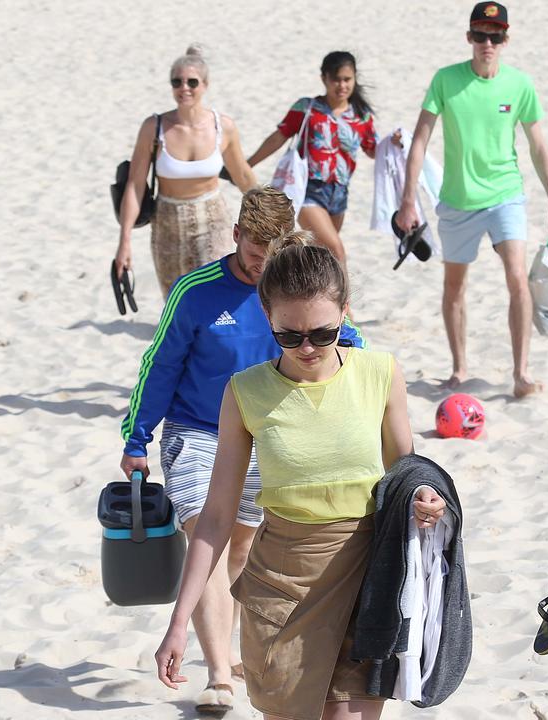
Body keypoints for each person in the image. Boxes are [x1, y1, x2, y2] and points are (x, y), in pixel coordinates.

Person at [153, 235, 445, 720]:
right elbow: (217, 517)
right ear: (268, 318)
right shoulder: (245, 392)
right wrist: (179, 621)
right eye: (289, 336)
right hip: (281, 584)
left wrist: (425, 500)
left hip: (368, 572)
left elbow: (406, 475)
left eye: (323, 333)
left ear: (345, 313)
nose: (306, 347)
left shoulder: (381, 373)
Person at [121, 189, 364, 716]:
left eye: (270, 257)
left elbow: (343, 341)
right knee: (206, 532)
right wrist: (137, 436)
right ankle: (217, 674)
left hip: (267, 432)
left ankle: (235, 655)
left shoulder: (289, 288)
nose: (261, 267)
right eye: (254, 255)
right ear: (236, 236)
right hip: (198, 433)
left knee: (245, 550)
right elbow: (159, 364)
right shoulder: (195, 291)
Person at [395, 1, 548, 395]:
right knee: (454, 285)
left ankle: (521, 373)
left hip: (506, 195)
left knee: (517, 278)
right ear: (469, 38)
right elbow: (420, 140)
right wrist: (408, 199)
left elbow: (538, 146)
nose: (487, 43)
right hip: (457, 200)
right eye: (480, 35)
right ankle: (458, 369)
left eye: (495, 36)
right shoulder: (446, 80)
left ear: (505, 39)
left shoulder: (519, 84)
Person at [115, 45, 259, 298]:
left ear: (205, 84)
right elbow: (135, 185)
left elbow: (243, 176)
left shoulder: (223, 127)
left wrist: (270, 213)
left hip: (213, 218)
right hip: (168, 224)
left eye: (192, 82)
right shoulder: (154, 127)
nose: (184, 88)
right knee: (178, 301)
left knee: (215, 294)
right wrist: (124, 240)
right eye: (177, 82)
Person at [247, 51, 386, 271]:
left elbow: (372, 149)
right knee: (336, 250)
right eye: (336, 79)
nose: (342, 85)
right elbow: (279, 137)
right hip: (308, 190)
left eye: (347, 79)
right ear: (324, 79)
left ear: (354, 79)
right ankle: (344, 305)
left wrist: (397, 146)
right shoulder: (307, 108)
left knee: (320, 255)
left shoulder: (361, 115)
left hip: (339, 193)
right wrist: (247, 164)